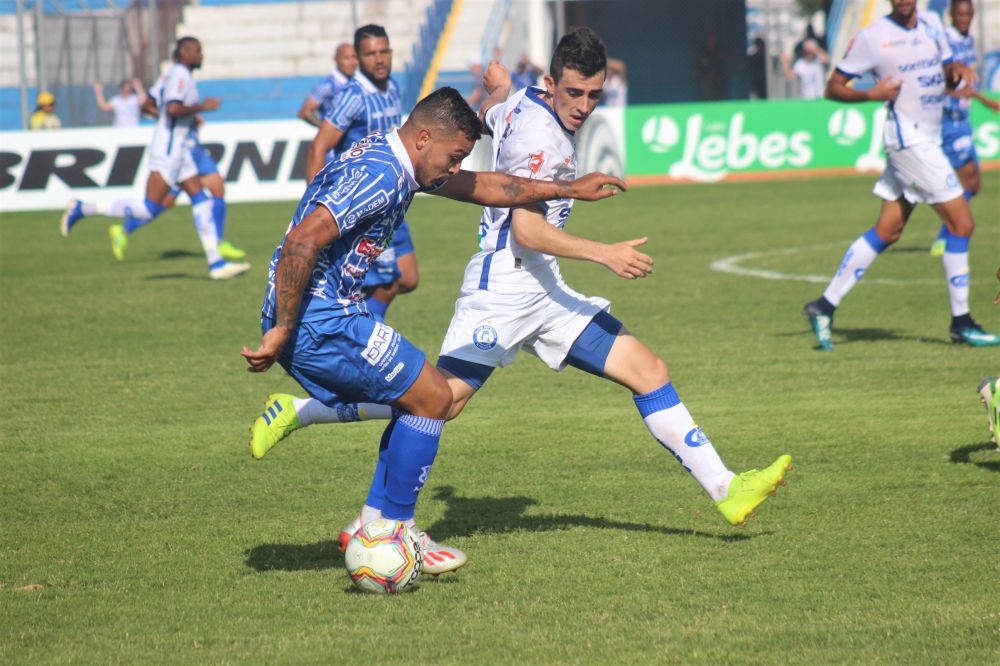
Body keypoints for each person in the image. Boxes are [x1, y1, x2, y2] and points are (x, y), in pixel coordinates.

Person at [249, 30, 793, 545]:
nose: (583, 106)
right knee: (436, 402)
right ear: (553, 84)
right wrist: (605, 252)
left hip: (543, 287)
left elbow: (493, 127)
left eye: (594, 95)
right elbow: (528, 227)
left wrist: (497, 91)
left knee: (648, 371)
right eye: (575, 93)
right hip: (504, 290)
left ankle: (726, 489)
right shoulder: (540, 137)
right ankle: (326, 444)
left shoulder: (527, 102)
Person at [240, 85, 627, 575]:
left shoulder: (404, 158)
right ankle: (392, 532)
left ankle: (380, 523)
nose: (455, 168)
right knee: (432, 399)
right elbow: (301, 240)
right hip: (319, 319)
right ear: (424, 137)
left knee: (425, 395)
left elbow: (486, 188)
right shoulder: (381, 175)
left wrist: (567, 189)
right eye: (454, 157)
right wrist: (282, 329)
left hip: (332, 313)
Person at [802, 0, 999, 349]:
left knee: (888, 230)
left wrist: (956, 71)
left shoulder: (932, 25)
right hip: (910, 141)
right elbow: (833, 87)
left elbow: (943, 65)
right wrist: (871, 94)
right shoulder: (873, 37)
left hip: (927, 136)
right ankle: (962, 322)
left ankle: (823, 305)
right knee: (961, 223)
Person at [60, 37, 249, 279]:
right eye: (198, 51)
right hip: (169, 150)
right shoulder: (180, 74)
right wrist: (201, 108)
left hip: (181, 149)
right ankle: (83, 208)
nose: (202, 55)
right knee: (149, 208)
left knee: (201, 199)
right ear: (186, 53)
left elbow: (148, 104)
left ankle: (216, 265)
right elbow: (171, 108)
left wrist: (175, 120)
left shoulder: (171, 74)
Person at [307, 25, 414, 321]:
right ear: (358, 57)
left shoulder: (392, 87)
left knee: (407, 278)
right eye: (370, 54)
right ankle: (361, 339)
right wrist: (313, 208)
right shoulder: (352, 95)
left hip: (393, 201)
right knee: (385, 283)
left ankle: (357, 328)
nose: (379, 59)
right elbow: (319, 147)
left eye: (383, 52)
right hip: (364, 204)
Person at [929, 0, 1000, 257]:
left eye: (968, 14)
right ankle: (946, 235)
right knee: (965, 182)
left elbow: (967, 83)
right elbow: (940, 82)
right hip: (948, 121)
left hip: (963, 121)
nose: (964, 18)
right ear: (951, 15)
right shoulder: (944, 41)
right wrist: (981, 98)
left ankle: (948, 229)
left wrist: (979, 98)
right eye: (959, 14)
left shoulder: (968, 41)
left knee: (973, 184)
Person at [297, 43, 358, 128]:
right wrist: (326, 131)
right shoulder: (328, 85)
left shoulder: (357, 82)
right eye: (346, 58)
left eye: (355, 57)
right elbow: (305, 112)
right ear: (336, 60)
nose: (352, 62)